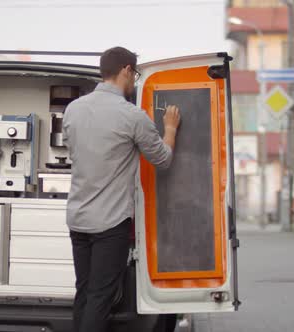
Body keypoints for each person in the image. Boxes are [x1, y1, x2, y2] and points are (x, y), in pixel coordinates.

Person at [62, 46, 181, 332]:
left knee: (85, 293)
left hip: (78, 219)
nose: (135, 80)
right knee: (101, 299)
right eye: (135, 74)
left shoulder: (73, 109)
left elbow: (72, 150)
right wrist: (171, 129)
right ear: (126, 70)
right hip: (110, 223)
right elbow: (162, 160)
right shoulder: (132, 116)